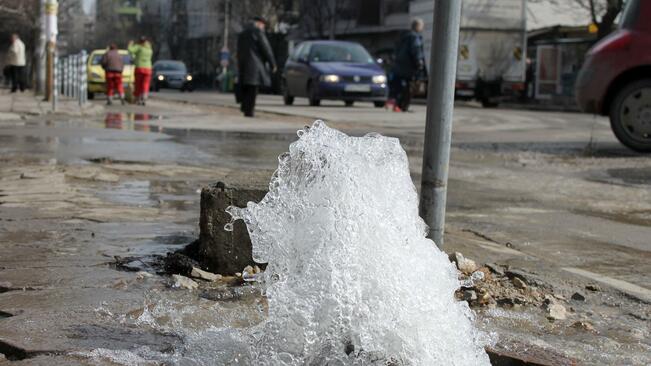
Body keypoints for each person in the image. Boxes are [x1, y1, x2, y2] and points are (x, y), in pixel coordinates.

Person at [236, 16, 277, 117]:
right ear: (259, 24)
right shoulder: (258, 33)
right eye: (263, 25)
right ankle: (249, 110)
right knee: (253, 88)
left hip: (243, 64)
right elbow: (266, 48)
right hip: (255, 65)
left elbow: (238, 49)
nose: (263, 27)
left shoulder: (242, 33)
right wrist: (273, 64)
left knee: (245, 86)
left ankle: (245, 107)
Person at [389, 18, 426, 112]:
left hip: (399, 66)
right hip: (409, 68)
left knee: (400, 87)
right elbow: (416, 50)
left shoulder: (403, 36)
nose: (422, 28)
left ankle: (397, 105)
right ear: (418, 27)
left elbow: (395, 51)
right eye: (422, 26)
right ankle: (403, 106)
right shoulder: (414, 37)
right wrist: (419, 63)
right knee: (409, 88)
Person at [128, 36, 153, 105]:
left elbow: (130, 50)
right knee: (145, 84)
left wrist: (130, 44)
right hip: (148, 69)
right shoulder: (149, 49)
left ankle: (138, 98)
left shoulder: (139, 47)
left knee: (138, 84)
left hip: (140, 68)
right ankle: (144, 97)